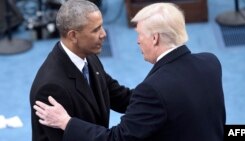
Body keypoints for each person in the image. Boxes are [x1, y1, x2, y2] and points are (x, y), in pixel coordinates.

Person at [34, 2, 226, 141]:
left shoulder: (154, 90)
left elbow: (118, 138)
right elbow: (121, 95)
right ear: (73, 36)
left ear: (155, 38)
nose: (137, 41)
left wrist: (67, 123)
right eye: (96, 29)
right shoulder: (211, 63)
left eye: (139, 35)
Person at [30, 0, 132, 141]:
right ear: (73, 36)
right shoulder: (51, 88)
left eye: (101, 26)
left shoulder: (89, 57)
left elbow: (119, 96)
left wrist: (155, 98)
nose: (103, 34)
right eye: (95, 30)